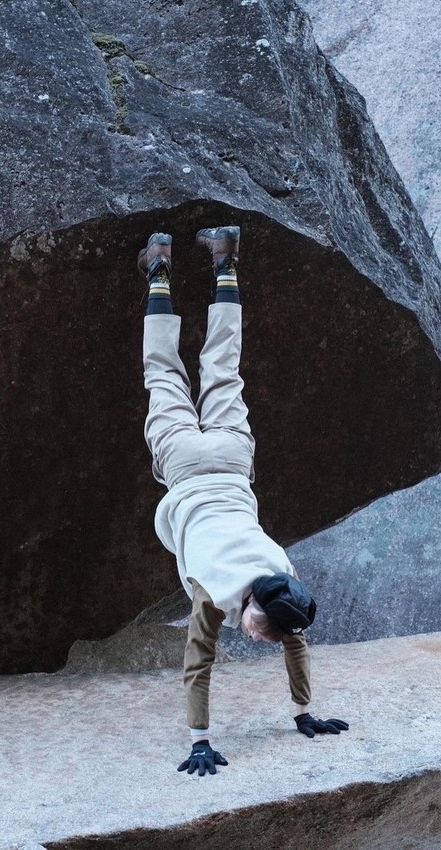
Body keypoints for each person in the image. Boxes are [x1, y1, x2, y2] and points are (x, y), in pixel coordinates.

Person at [138, 225, 349, 777]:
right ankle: (159, 269)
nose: (260, 637)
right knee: (164, 371)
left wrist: (305, 713)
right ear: (252, 604)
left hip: (231, 459)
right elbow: (197, 664)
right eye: (262, 628)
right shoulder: (214, 587)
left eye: (267, 633)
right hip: (185, 465)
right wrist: (199, 741)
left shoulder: (282, 574)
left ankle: (224, 262)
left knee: (223, 366)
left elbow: (295, 640)